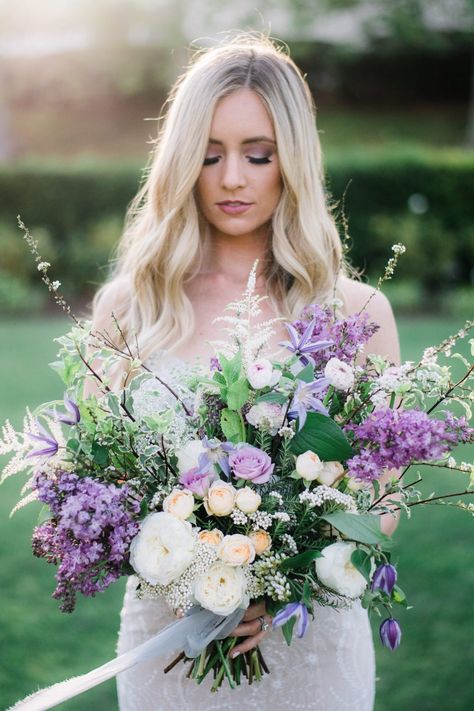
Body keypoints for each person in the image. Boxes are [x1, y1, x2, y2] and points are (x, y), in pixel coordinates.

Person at [88, 32, 400, 711]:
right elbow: (93, 480)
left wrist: (279, 574)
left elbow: (383, 498)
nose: (232, 177)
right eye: (209, 155)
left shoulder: (355, 312)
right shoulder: (130, 309)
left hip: (312, 648)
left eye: (257, 155)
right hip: (169, 645)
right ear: (181, 163)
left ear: (291, 159)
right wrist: (192, 570)